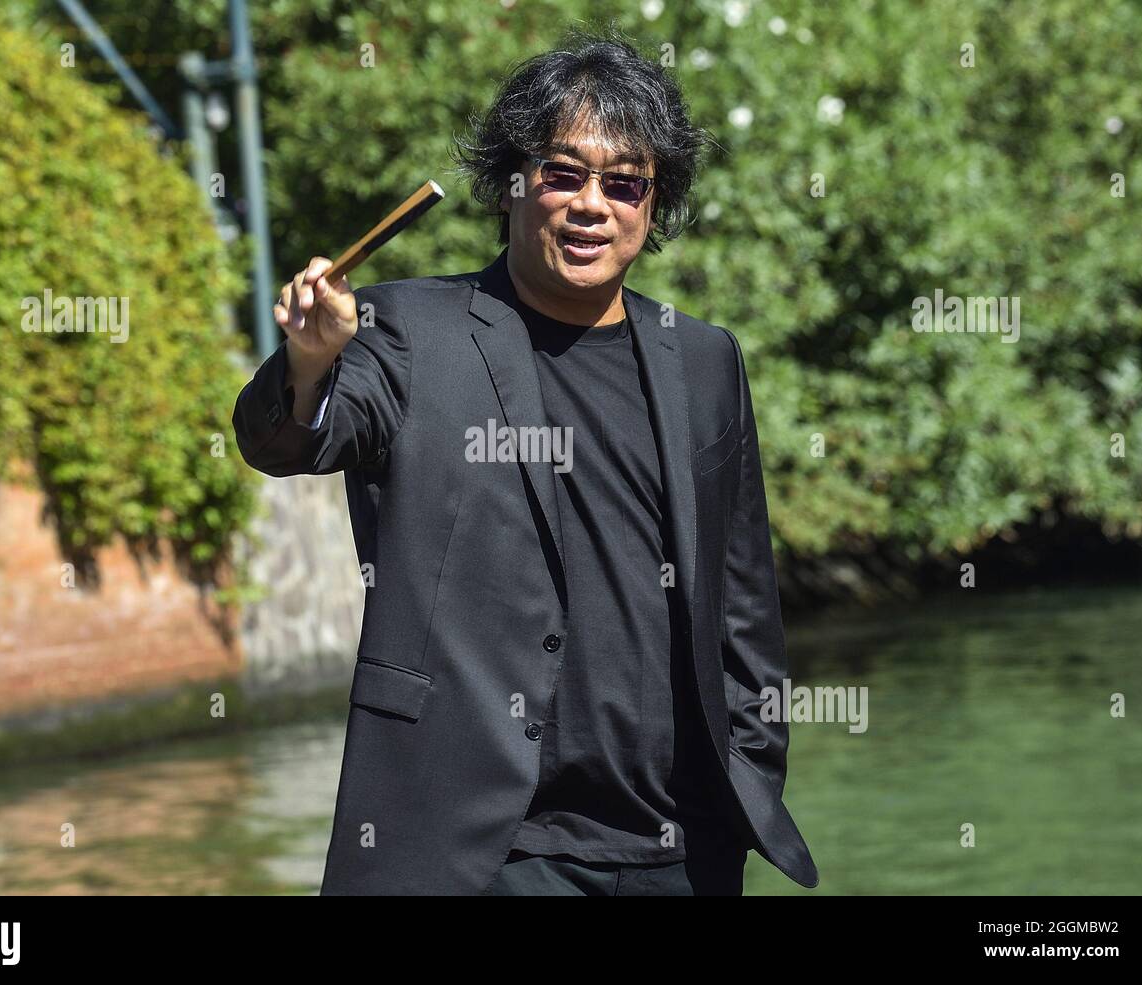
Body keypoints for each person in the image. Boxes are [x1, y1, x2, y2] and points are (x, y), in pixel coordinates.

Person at [232, 28, 818, 896]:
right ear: (510, 185)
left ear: (653, 206)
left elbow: (743, 605)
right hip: (484, 851)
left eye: (625, 184)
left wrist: (749, 773)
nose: (593, 205)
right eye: (562, 172)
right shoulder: (409, 332)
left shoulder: (702, 358)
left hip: (681, 846)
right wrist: (312, 360)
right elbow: (285, 440)